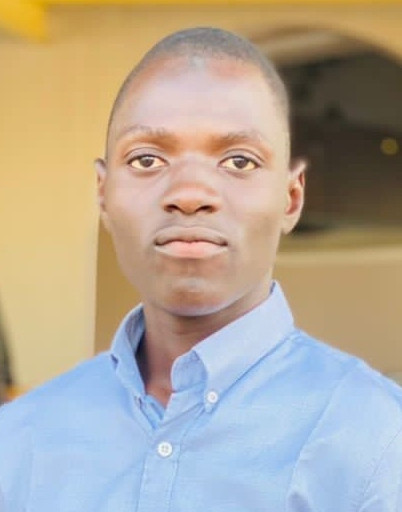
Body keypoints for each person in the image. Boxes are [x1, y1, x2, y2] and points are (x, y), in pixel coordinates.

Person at [0, 27, 401, 512]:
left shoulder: (379, 442)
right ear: (103, 193)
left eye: (239, 162)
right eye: (147, 159)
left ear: (291, 198)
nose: (189, 194)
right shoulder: (18, 442)